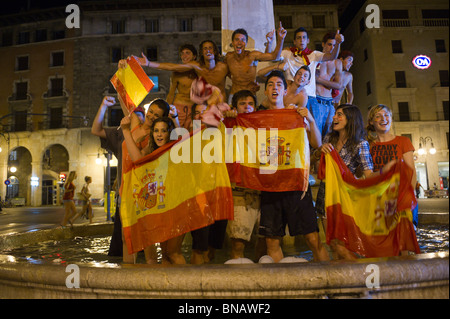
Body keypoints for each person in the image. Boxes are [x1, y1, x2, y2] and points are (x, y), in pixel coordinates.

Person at [257, 71, 329, 263]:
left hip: (296, 185)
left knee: (313, 239)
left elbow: (316, 142)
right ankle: (282, 288)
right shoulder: (259, 118)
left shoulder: (296, 114)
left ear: (285, 90)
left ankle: (330, 284)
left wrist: (311, 120)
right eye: (270, 84)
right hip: (271, 185)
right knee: (272, 242)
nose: (274, 88)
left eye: (278, 84)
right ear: (266, 91)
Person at [315, 104, 381, 259]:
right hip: (325, 194)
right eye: (335, 114)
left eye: (339, 115)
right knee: (332, 244)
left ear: (350, 119)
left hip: (344, 197)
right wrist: (319, 151)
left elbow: (368, 173)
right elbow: (315, 160)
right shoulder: (329, 138)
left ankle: (361, 277)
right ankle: (343, 281)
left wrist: (387, 177)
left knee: (342, 246)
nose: (334, 118)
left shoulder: (360, 143)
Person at [120, 116, 186, 265]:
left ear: (170, 133)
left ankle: (188, 285)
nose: (159, 134)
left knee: (173, 252)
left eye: (163, 131)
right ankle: (168, 287)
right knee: (164, 254)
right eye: (156, 131)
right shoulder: (150, 153)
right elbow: (136, 159)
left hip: (176, 208)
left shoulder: (176, 150)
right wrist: (125, 130)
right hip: (161, 208)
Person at [221, 90, 264, 260]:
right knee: (238, 245)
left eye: (251, 103)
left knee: (265, 245)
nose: (247, 107)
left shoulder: (264, 124)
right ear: (235, 108)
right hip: (240, 191)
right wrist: (229, 120)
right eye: (242, 104)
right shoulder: (229, 124)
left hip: (263, 191)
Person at [366, 104, 418, 228]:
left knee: (405, 237)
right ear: (372, 122)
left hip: (403, 195)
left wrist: (410, 195)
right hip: (380, 198)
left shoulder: (403, 141)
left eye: (386, 115)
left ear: (391, 118)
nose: (383, 119)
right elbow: (367, 173)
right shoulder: (368, 146)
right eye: (378, 116)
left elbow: (411, 171)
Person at [134, 40, 229, 99]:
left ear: (215, 51)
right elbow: (173, 67)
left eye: (210, 48)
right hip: (203, 108)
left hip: (221, 106)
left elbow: (239, 77)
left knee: (224, 132)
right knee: (197, 131)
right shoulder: (197, 66)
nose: (208, 50)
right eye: (205, 48)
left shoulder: (224, 67)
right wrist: (149, 63)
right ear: (201, 52)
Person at [224, 23, 287, 100]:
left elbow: (274, 56)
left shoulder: (252, 56)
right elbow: (225, 73)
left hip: (250, 96)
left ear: (246, 43)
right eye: (237, 39)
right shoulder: (228, 57)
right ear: (232, 42)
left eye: (243, 40)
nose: (239, 43)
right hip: (234, 95)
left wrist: (281, 39)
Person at [314, 32, 342, 137]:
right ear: (323, 44)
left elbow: (339, 85)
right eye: (329, 44)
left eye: (335, 45)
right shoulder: (315, 57)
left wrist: (319, 80)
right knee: (315, 134)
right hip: (316, 100)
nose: (332, 47)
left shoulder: (337, 62)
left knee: (329, 136)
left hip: (329, 103)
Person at [166, 44, 198, 128]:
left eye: (187, 53)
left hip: (194, 108)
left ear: (194, 56)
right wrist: (166, 110)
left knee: (193, 135)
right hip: (179, 107)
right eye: (182, 53)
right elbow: (171, 93)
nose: (184, 56)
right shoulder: (177, 72)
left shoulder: (199, 71)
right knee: (175, 134)